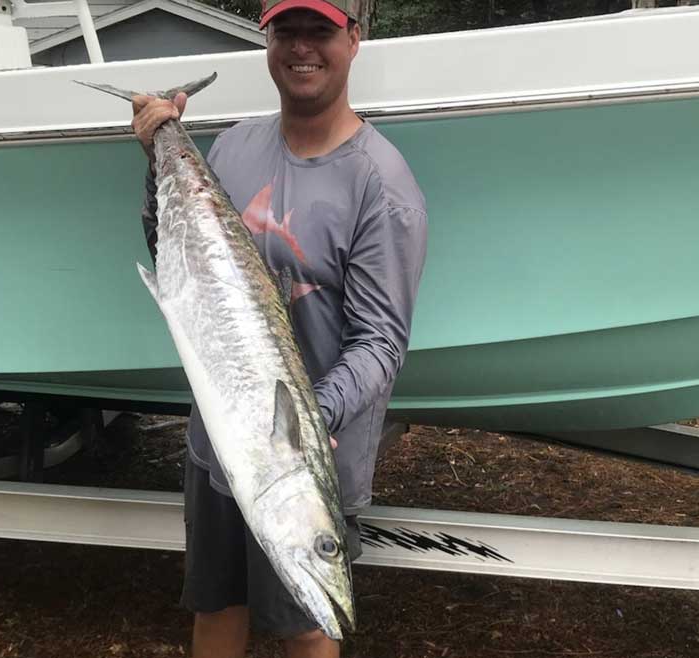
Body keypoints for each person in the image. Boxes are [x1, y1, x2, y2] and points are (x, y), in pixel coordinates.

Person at [132, 1, 427, 656]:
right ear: (268, 42)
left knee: (307, 628)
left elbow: (382, 341)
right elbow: (178, 260)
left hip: (303, 469)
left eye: (319, 31)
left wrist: (307, 421)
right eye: (285, 32)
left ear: (354, 39)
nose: (301, 48)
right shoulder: (235, 144)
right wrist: (159, 156)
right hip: (218, 448)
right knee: (216, 605)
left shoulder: (382, 184)